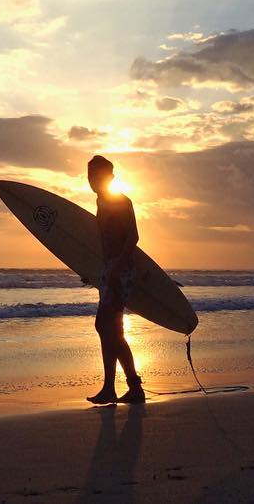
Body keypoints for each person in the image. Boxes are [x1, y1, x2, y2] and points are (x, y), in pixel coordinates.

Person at [86, 155, 145, 405]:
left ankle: (127, 386)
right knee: (108, 329)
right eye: (89, 175)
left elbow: (133, 238)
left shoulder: (121, 201)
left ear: (110, 177)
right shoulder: (100, 202)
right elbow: (103, 244)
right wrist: (92, 270)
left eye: (98, 175)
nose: (93, 180)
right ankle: (119, 387)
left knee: (107, 327)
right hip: (110, 271)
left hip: (121, 272)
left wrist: (115, 270)